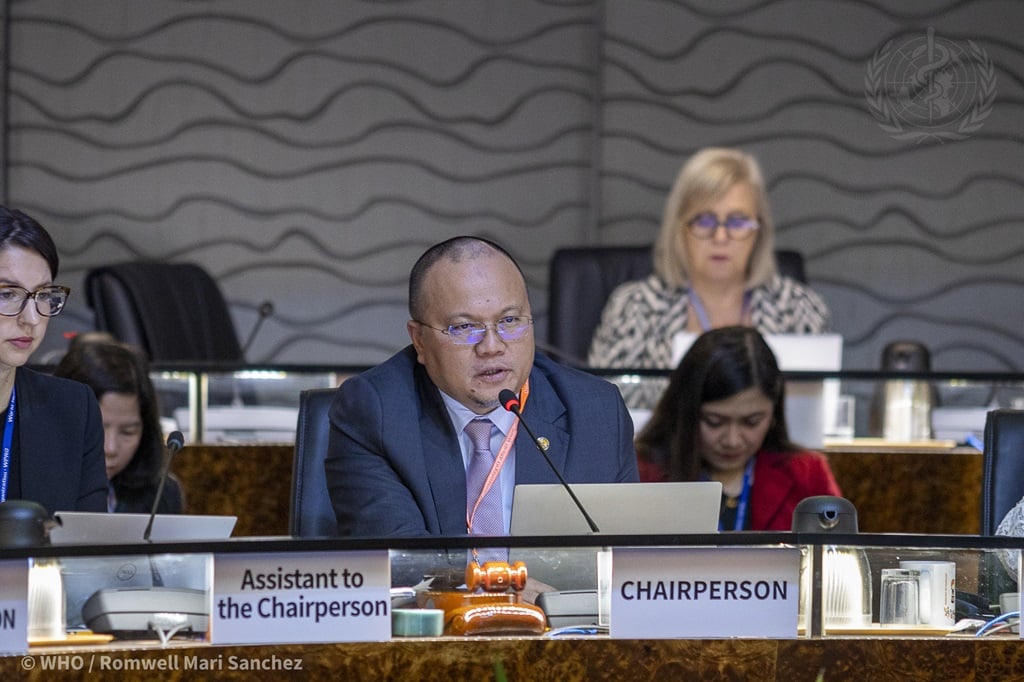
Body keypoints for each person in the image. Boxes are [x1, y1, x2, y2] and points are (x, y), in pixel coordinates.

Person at [325, 236, 638, 538]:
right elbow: (400, 557)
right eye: (464, 327)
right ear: (419, 340)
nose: (491, 346)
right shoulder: (374, 412)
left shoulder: (595, 413)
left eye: (510, 321)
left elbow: (623, 553)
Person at [588, 147, 831, 379]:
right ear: (679, 228)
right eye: (705, 221)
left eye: (737, 221)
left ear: (760, 230)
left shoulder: (799, 309)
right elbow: (601, 402)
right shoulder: (634, 308)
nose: (721, 237)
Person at [635, 326, 840, 531]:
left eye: (751, 422)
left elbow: (839, 547)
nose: (732, 441)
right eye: (714, 422)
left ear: (773, 413)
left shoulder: (807, 474)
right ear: (685, 412)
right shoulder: (641, 473)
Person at [0, 206, 106, 514]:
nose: (32, 319)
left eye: (43, 295)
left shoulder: (72, 409)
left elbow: (90, 536)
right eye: (7, 294)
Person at [54, 332, 184, 514]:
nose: (110, 448)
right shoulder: (22, 485)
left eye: (128, 432)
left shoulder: (162, 495)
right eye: (96, 430)